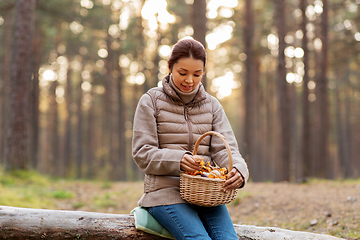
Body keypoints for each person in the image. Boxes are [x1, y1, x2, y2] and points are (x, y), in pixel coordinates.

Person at [132, 38, 249, 240]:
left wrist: (239, 170)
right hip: (164, 193)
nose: (189, 80)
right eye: (183, 73)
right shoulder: (150, 101)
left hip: (206, 195)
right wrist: (178, 160)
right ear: (170, 67)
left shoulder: (212, 105)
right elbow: (143, 153)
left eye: (197, 74)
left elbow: (224, 149)